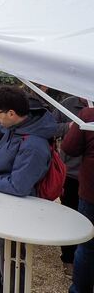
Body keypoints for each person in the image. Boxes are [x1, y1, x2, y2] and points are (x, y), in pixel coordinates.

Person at [0, 85, 57, 293]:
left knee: (11, 270)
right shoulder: (17, 123)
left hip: (15, 214)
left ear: (11, 113)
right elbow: (0, 130)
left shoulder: (34, 146)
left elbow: (18, 186)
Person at [61, 102, 94, 293]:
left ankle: (80, 289)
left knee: (88, 245)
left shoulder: (88, 114)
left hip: (91, 191)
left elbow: (70, 147)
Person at [55, 94, 88, 277]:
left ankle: (84, 260)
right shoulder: (68, 104)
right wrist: (69, 127)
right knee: (69, 216)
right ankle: (68, 258)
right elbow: (51, 127)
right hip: (71, 174)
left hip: (89, 176)